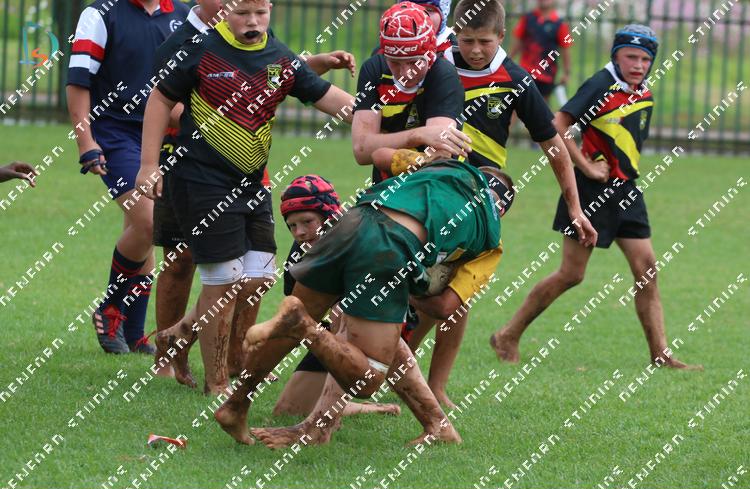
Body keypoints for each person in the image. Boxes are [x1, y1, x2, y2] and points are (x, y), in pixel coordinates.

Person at [136, 0, 355, 396]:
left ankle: (178, 334)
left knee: (258, 277)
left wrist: (376, 122)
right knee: (222, 279)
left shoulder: (277, 53)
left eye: (260, 12)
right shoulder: (200, 48)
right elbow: (160, 100)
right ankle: (217, 382)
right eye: (242, 13)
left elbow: (326, 95)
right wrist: (149, 164)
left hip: (252, 183)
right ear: (225, 11)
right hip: (201, 181)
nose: (253, 22)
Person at [212, 157, 506, 448]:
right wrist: (410, 285)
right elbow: (444, 308)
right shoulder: (491, 239)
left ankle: (235, 407)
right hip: (388, 245)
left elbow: (384, 157)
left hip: (351, 220)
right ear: (500, 209)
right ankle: (304, 326)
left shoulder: (445, 166)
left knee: (370, 338)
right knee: (368, 379)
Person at [400, 0, 596, 408]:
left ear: (501, 37)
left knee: (457, 295)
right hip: (425, 192)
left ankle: (434, 385)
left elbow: (553, 146)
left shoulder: (515, 79)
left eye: (484, 42)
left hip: (479, 203)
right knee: (419, 285)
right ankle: (395, 369)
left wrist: (575, 208)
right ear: (455, 34)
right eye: (467, 40)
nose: (475, 50)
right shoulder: (436, 66)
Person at [491, 25, 702, 370]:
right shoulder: (600, 84)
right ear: (616, 55)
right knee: (571, 274)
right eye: (630, 57)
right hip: (591, 193)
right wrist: (586, 165)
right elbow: (556, 124)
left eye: (645, 59)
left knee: (647, 270)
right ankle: (507, 335)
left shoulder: (642, 91)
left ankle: (661, 355)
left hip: (627, 190)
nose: (638, 65)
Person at [67, 0, 190, 355]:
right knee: (149, 222)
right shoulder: (101, 14)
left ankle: (135, 333)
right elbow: (78, 82)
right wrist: (86, 142)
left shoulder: (184, 15)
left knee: (141, 229)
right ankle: (109, 309)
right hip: (115, 133)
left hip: (164, 135)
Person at [271, 174, 401, 418]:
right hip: (329, 336)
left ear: (330, 217)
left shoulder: (360, 242)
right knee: (287, 411)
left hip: (375, 332)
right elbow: (301, 319)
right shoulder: (298, 259)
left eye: (307, 222)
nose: (300, 232)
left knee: (343, 312)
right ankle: (366, 408)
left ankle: (434, 418)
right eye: (292, 226)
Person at [352, 1, 470, 184]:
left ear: (430, 52)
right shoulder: (374, 69)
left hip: (439, 184)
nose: (405, 72)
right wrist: (418, 135)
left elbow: (440, 155)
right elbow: (361, 150)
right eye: (394, 62)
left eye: (414, 62)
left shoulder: (444, 74)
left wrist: (383, 148)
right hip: (385, 186)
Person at [510, 0, 571, 104]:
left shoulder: (560, 23)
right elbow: (518, 41)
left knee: (541, 107)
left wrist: (566, 72)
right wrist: (509, 59)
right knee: (517, 105)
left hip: (546, 75)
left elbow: (566, 49)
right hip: (525, 71)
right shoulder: (527, 18)